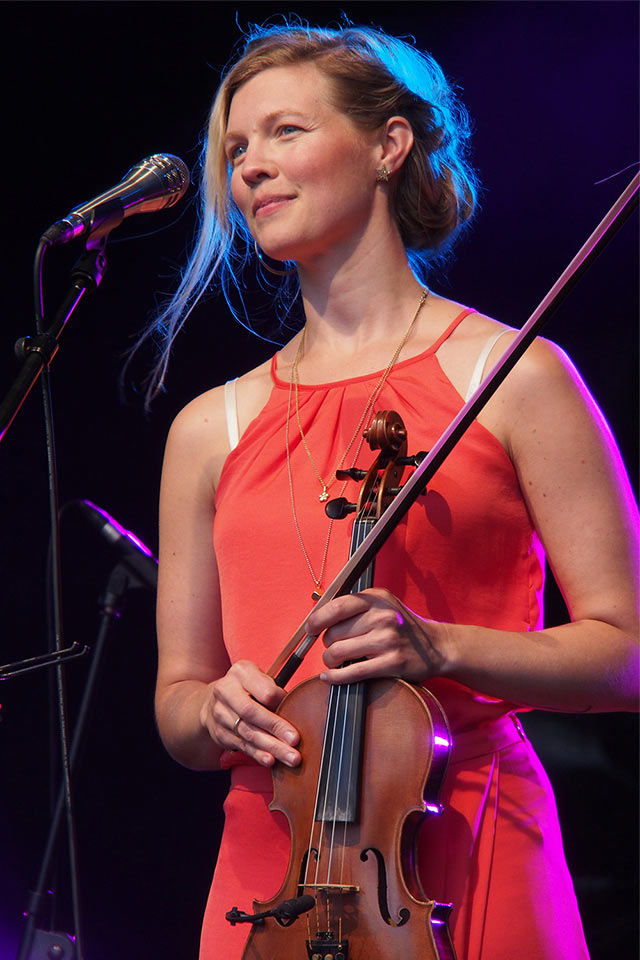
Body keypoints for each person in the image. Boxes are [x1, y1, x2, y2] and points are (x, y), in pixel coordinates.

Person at [147, 21, 638, 960]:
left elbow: (626, 656)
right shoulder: (209, 427)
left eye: (286, 132)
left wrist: (442, 645)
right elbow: (177, 699)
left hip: (462, 834)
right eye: (236, 149)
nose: (250, 168)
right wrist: (211, 713)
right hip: (271, 867)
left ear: (387, 144)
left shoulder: (516, 374)